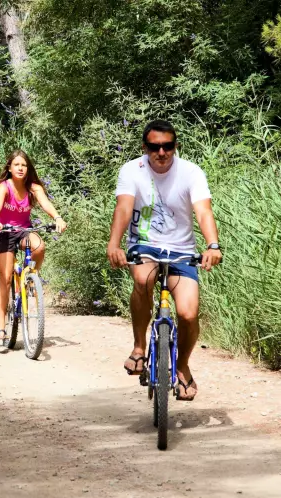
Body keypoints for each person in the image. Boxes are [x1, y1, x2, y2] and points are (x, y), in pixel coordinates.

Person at [106, 120, 222, 401]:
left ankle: (182, 366)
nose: (161, 152)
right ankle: (139, 347)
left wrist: (213, 245)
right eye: (155, 147)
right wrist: (114, 244)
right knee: (142, 281)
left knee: (188, 314)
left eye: (168, 146)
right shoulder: (132, 170)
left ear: (175, 146)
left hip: (181, 249)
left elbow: (203, 211)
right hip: (144, 245)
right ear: (145, 147)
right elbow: (124, 208)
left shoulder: (190, 172)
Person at [0, 150, 67, 341]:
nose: (20, 168)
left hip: (24, 230)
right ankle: (1, 324)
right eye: (16, 164)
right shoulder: (4, 187)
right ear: (9, 168)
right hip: (5, 232)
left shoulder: (33, 188)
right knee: (5, 278)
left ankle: (31, 278)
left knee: (39, 246)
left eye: (24, 165)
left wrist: (57, 217)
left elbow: (46, 204)